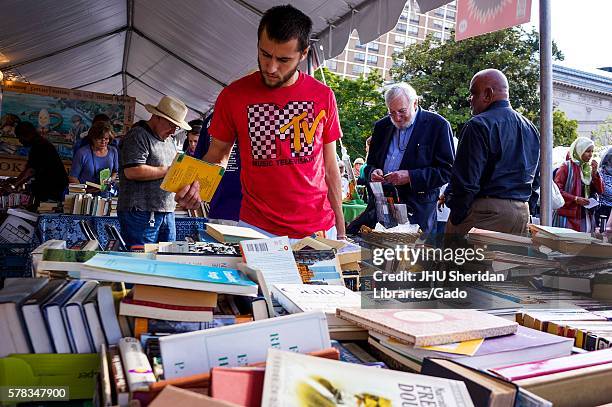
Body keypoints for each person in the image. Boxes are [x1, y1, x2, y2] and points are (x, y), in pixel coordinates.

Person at [176, 5, 346, 240]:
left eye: (284, 59)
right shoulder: (233, 95)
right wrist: (192, 184)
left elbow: (330, 166)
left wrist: (340, 226)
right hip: (255, 229)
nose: (271, 67)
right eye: (265, 54)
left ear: (304, 53)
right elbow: (217, 155)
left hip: (318, 228)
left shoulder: (323, 95)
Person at [445, 69, 540, 236]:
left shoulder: (478, 125)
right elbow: (537, 180)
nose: (470, 100)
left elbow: (466, 182)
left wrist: (457, 215)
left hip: (484, 212)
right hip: (521, 213)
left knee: (461, 261)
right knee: (508, 263)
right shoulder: (530, 128)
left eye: (473, 93)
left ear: (487, 94)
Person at [362, 82, 455, 235]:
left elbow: (447, 171)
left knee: (413, 258)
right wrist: (373, 171)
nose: (397, 118)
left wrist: (411, 176)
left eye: (402, 111)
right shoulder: (382, 126)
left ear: (415, 103)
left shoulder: (437, 125)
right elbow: (370, 164)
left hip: (418, 211)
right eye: (392, 112)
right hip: (383, 209)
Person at [118, 95, 191, 249]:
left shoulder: (169, 140)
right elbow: (132, 171)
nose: (173, 131)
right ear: (156, 117)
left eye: (176, 127)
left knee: (166, 257)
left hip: (165, 210)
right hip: (140, 212)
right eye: (171, 125)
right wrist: (169, 171)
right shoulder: (138, 135)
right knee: (142, 261)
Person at [7, 121, 68, 206]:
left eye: (19, 137)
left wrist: (13, 186)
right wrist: (16, 181)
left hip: (52, 191)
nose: (20, 141)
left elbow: (30, 171)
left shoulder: (40, 146)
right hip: (53, 188)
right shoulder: (41, 144)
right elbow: (30, 168)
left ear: (26, 135)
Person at [553, 137, 604, 232]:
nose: (590, 155)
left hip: (585, 215)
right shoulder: (566, 167)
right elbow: (557, 192)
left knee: (583, 245)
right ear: (579, 151)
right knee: (566, 244)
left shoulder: (588, 169)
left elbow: (600, 190)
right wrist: (575, 199)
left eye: (592, 151)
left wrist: (595, 173)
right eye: (587, 151)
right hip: (568, 215)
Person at [69, 122, 119, 189]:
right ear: (93, 138)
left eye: (106, 139)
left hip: (106, 193)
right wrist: (85, 191)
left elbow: (114, 173)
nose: (103, 142)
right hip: (85, 194)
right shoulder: (82, 153)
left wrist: (110, 180)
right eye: (100, 139)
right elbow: (73, 178)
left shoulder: (113, 151)